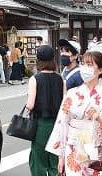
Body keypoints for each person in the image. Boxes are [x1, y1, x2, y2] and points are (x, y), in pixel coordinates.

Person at [46, 51, 102, 176]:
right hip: (73, 145)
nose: (85, 68)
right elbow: (61, 123)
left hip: (96, 145)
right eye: (83, 64)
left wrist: (99, 119)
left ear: (100, 70)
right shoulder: (72, 93)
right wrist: (61, 155)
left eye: (90, 65)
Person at [25, 45, 65, 176]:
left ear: (38, 60)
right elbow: (65, 104)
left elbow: (30, 105)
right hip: (57, 124)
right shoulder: (60, 79)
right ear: (53, 59)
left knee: (38, 160)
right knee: (54, 159)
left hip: (40, 125)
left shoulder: (35, 79)